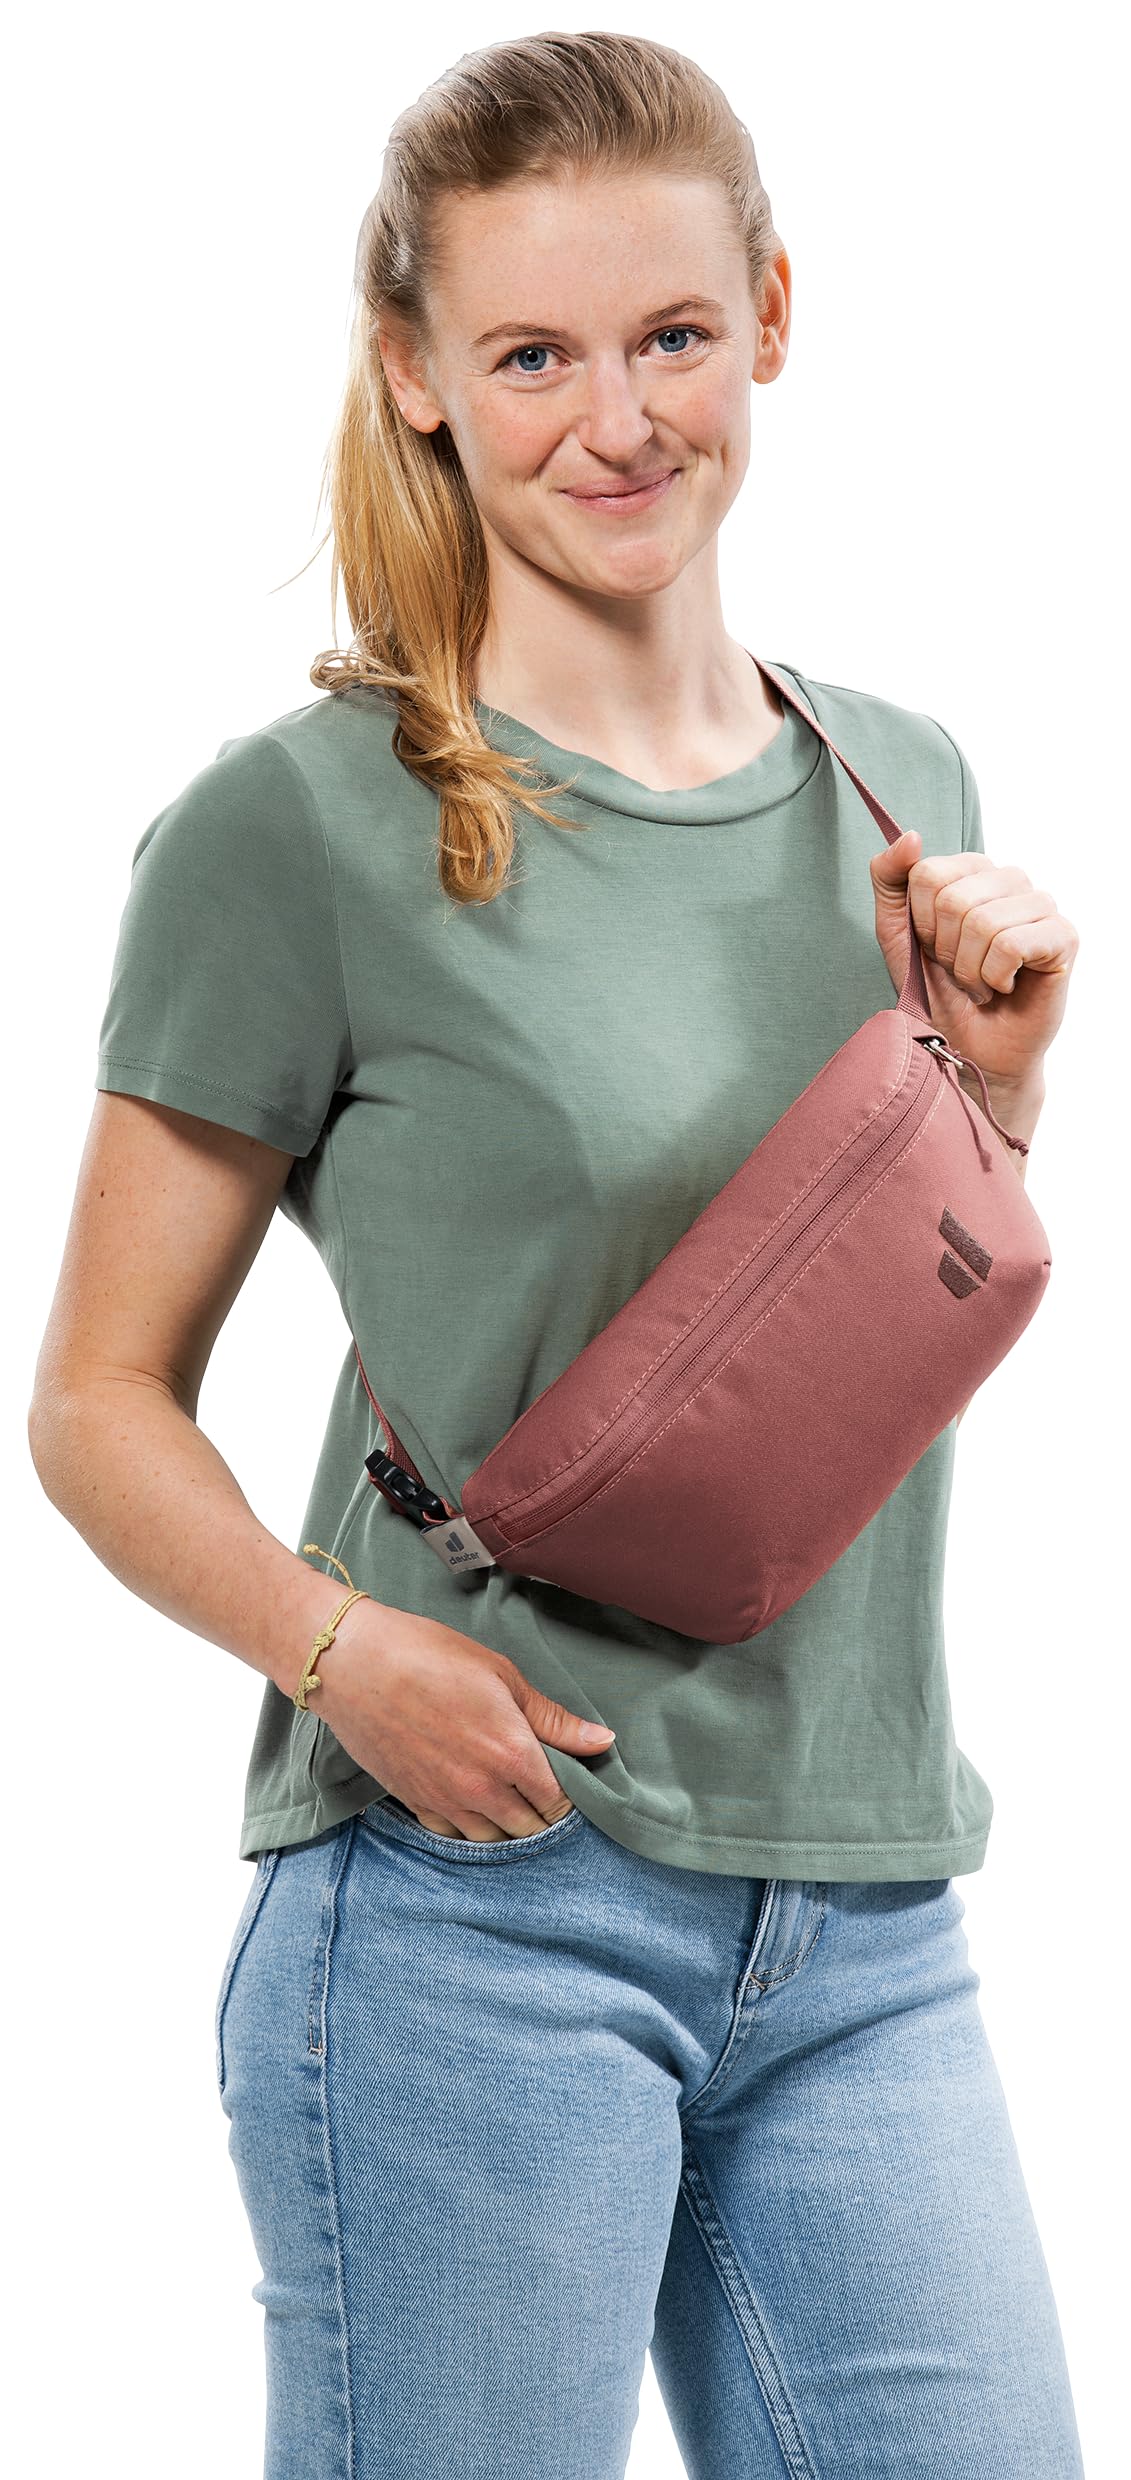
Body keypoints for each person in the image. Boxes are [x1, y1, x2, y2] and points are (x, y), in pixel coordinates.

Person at [28, 30, 1084, 2480]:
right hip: (473, 1908)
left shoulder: (897, 786)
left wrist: (999, 1101)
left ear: (771, 317)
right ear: (414, 372)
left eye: (671, 336)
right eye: (529, 355)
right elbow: (91, 1401)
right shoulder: (300, 831)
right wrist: (343, 1654)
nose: (616, 422)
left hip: (864, 1903)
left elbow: (818, 1375)